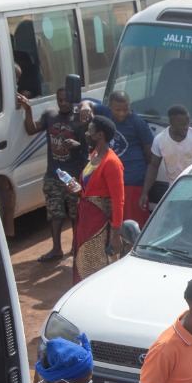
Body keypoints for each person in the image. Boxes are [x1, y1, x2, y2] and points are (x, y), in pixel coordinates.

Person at [18, 89, 89, 262]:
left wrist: (76, 145)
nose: (63, 103)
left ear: (71, 100)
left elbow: (88, 146)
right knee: (54, 213)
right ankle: (56, 249)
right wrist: (27, 110)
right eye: (59, 100)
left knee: (75, 214)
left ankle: (75, 246)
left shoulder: (80, 118)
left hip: (73, 176)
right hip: (54, 174)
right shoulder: (50, 115)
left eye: (65, 100)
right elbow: (31, 129)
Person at [88, 92, 155, 227]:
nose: (122, 113)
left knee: (133, 224)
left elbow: (149, 151)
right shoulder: (105, 113)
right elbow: (88, 103)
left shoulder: (137, 123)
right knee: (113, 220)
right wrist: (85, 107)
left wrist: (141, 169)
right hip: (110, 179)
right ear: (110, 107)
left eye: (125, 109)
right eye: (117, 110)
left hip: (132, 180)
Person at [71, 116, 124, 284]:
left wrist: (116, 234)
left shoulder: (112, 162)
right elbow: (89, 189)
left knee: (97, 263)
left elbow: (118, 200)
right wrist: (77, 188)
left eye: (90, 131)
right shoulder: (94, 155)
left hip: (100, 224)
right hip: (86, 220)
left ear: (100, 135)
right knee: (83, 259)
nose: (87, 134)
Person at [140, 104, 192, 213]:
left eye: (188, 123)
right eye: (182, 124)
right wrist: (145, 193)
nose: (186, 127)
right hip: (175, 190)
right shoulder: (160, 140)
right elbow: (153, 167)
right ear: (171, 122)